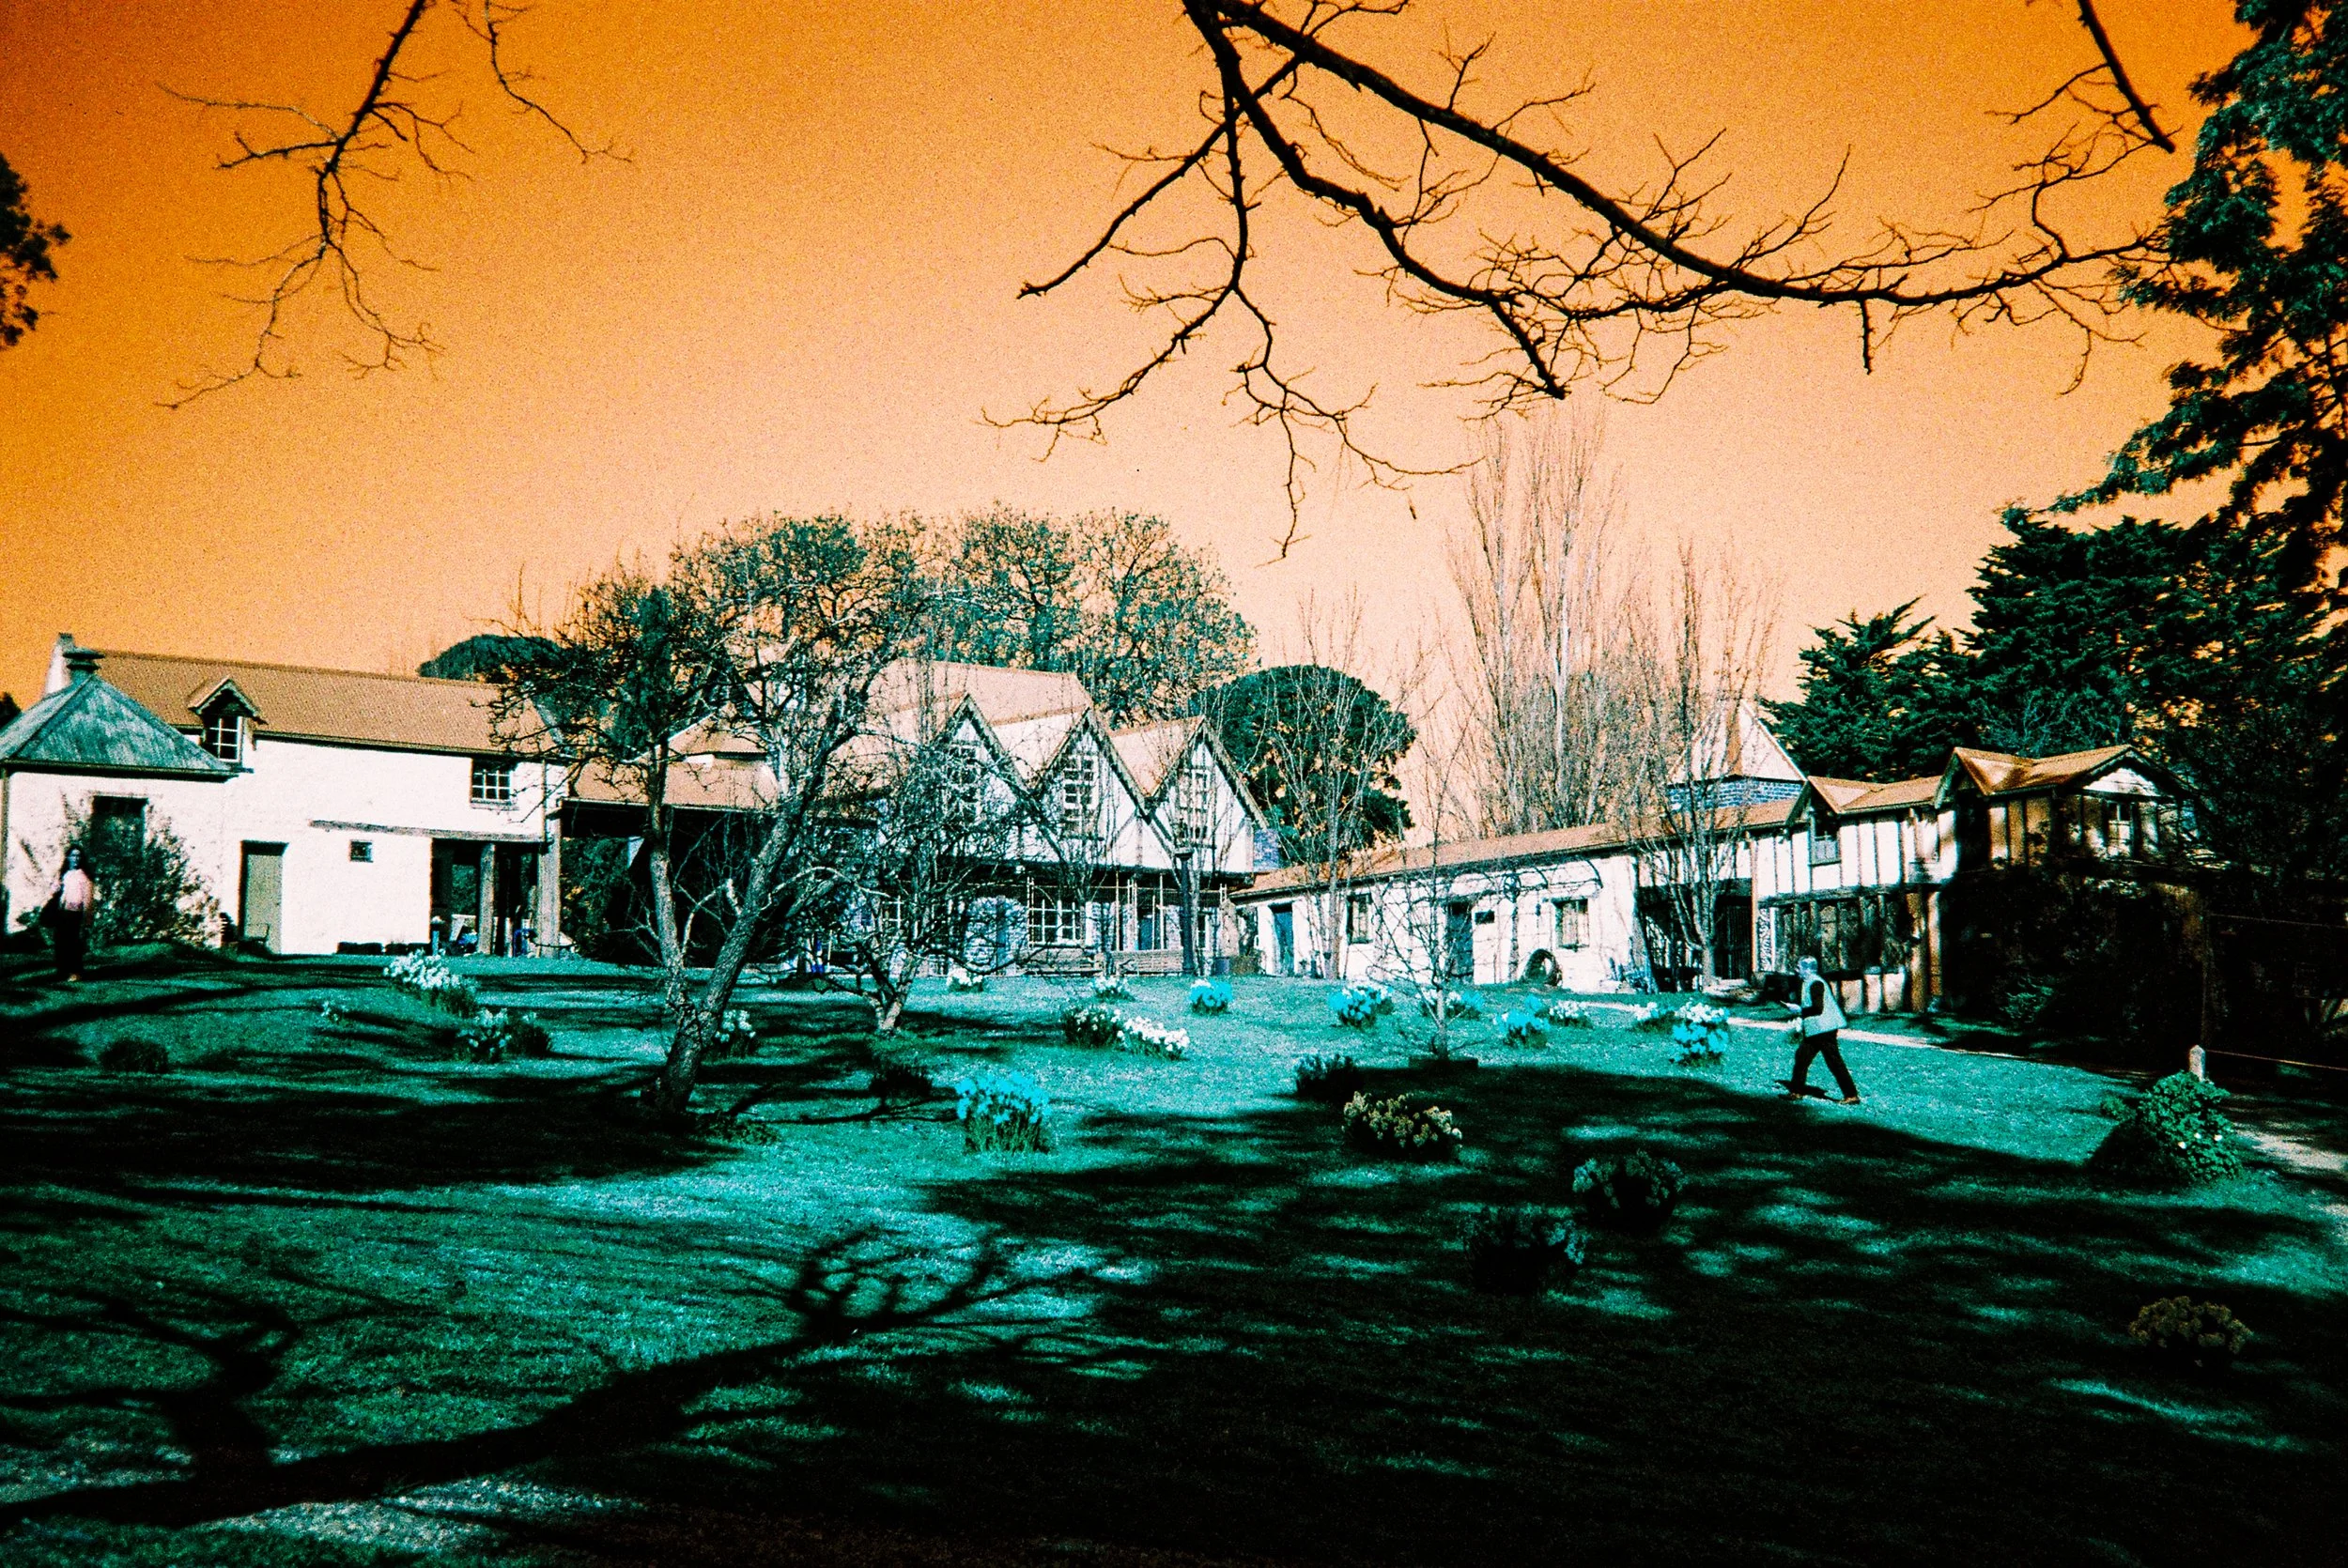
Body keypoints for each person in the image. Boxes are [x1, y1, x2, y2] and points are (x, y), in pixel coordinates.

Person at [1783, 955, 1860, 1103]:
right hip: (1816, 1029)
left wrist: (1799, 1010)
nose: (1796, 970)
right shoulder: (1808, 982)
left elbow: (1818, 1008)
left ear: (1806, 969)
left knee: (1834, 1061)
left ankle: (1851, 1095)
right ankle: (1796, 1091)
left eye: (1798, 967)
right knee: (1802, 1057)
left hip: (1824, 1028)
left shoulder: (1815, 983)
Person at [51, 846, 94, 984]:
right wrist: (56, 886)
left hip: (75, 914)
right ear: (68, 857)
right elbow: (56, 892)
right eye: (73, 856)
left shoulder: (84, 877)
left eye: (78, 856)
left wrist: (87, 918)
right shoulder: (65, 874)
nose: (75, 859)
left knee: (73, 944)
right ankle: (62, 971)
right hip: (62, 913)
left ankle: (76, 972)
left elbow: (88, 899)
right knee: (60, 944)